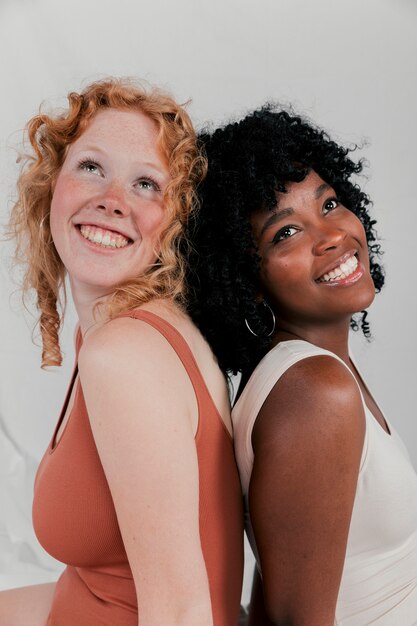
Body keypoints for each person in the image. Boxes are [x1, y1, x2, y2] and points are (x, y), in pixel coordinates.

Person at [0, 78, 244, 626]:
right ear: (50, 186)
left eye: (146, 185)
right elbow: (101, 589)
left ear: (174, 223)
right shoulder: (121, 330)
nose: (112, 201)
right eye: (91, 167)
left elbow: (182, 612)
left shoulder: (126, 356)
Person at [186, 106, 417, 625]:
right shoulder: (315, 391)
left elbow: (278, 586)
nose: (331, 234)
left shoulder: (308, 374)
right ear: (247, 279)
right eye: (285, 233)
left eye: (330, 203)